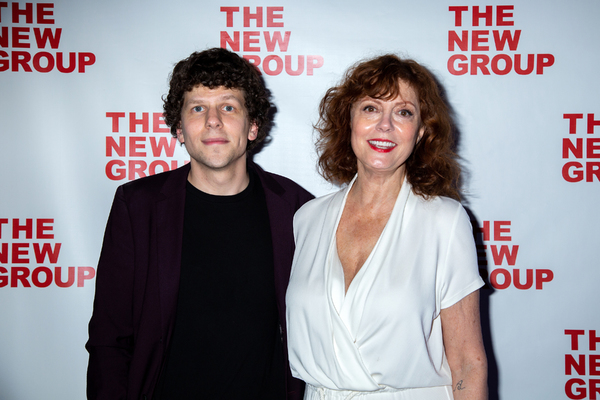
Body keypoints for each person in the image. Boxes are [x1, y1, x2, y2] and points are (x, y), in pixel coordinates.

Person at [86, 47, 312, 400]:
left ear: (253, 126)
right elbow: (109, 338)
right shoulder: (138, 206)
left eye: (228, 106)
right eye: (197, 108)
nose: (213, 120)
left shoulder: (297, 208)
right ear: (179, 128)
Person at [286, 54, 487, 399]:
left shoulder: (445, 220)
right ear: (348, 120)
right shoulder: (307, 218)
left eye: (404, 112)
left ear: (421, 132)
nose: (385, 125)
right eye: (371, 108)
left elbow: (468, 362)